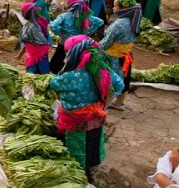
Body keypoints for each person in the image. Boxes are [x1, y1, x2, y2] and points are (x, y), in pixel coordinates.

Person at [49, 35, 124, 178]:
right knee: (92, 142)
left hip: (75, 120)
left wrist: (65, 67)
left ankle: (79, 173)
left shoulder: (70, 76)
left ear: (72, 54)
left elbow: (54, 84)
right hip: (95, 117)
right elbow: (119, 84)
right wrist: (105, 104)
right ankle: (91, 165)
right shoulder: (102, 70)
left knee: (78, 146)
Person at [101, 0, 141, 110]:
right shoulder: (134, 19)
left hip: (113, 56)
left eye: (115, 6)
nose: (113, 8)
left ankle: (104, 106)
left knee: (110, 81)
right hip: (126, 54)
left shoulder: (120, 23)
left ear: (124, 9)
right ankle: (119, 102)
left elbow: (106, 42)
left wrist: (95, 47)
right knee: (124, 77)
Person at [49, 0, 105, 73]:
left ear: (70, 4)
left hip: (65, 44)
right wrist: (88, 33)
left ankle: (60, 76)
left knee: (56, 63)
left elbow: (53, 25)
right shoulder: (86, 16)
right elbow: (100, 21)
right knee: (78, 62)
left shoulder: (64, 16)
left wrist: (59, 32)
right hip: (80, 44)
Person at [18, 2, 51, 74]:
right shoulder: (42, 20)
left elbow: (27, 41)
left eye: (22, 12)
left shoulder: (32, 27)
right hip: (42, 52)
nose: (21, 14)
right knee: (43, 70)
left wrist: (20, 54)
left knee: (33, 73)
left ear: (27, 14)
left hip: (35, 53)